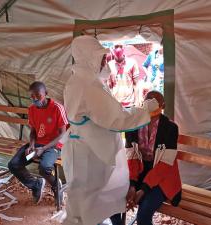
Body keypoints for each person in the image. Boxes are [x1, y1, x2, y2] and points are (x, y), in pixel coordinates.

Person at [62, 35, 159, 225]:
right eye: (100, 56)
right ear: (88, 58)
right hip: (90, 151)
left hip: (82, 146)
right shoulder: (89, 86)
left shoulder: (76, 81)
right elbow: (118, 118)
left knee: (82, 201)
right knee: (87, 202)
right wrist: (148, 109)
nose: (105, 60)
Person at [122, 91, 181, 225]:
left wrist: (143, 190)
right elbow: (131, 157)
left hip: (163, 177)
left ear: (163, 105)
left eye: (156, 99)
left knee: (144, 213)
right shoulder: (133, 127)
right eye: (148, 98)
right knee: (115, 199)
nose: (151, 100)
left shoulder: (170, 128)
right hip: (140, 172)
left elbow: (165, 165)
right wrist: (132, 185)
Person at [8, 81, 68, 204]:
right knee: (13, 164)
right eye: (32, 97)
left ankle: (56, 186)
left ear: (45, 94)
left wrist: (44, 148)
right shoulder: (31, 109)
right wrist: (31, 145)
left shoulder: (57, 108)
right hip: (37, 145)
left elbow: (63, 134)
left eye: (38, 96)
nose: (35, 99)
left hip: (54, 146)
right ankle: (36, 184)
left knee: (44, 167)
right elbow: (33, 131)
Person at [107, 43, 140, 107]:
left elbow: (136, 84)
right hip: (115, 103)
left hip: (130, 103)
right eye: (116, 46)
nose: (118, 49)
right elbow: (109, 86)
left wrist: (137, 101)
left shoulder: (132, 63)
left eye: (121, 46)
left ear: (124, 48)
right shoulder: (109, 65)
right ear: (112, 49)